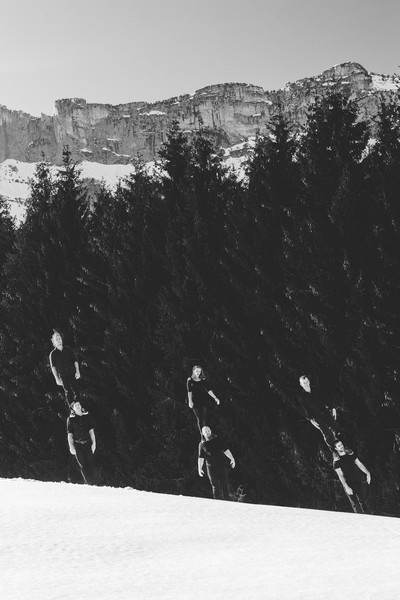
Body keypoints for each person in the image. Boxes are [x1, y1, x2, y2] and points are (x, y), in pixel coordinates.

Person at [298, 375, 338, 448]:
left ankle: (343, 448)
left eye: (307, 382)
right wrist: (311, 420)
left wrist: (333, 408)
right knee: (327, 433)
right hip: (316, 417)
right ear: (301, 384)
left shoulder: (316, 389)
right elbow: (306, 409)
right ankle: (333, 450)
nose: (306, 384)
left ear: (309, 381)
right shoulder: (302, 396)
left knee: (336, 429)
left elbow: (325, 399)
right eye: (304, 383)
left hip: (325, 412)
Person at [333, 439, 371, 514]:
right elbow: (340, 475)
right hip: (349, 484)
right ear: (336, 448)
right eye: (339, 446)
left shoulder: (350, 454)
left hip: (358, 481)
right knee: (356, 506)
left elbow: (359, 464)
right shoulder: (336, 461)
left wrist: (368, 473)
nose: (341, 446)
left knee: (364, 502)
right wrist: (346, 487)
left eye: (341, 444)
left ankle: (368, 519)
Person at [198, 425, 235, 500]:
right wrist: (199, 468)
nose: (208, 432)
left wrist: (232, 459)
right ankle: (217, 503)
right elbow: (200, 457)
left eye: (208, 431)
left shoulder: (217, 439)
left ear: (211, 431)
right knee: (215, 486)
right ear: (203, 433)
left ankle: (227, 502)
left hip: (221, 465)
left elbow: (225, 449)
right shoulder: (202, 444)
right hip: (211, 467)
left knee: (224, 485)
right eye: (206, 431)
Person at [67, 400, 98, 485]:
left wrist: (94, 443)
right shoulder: (70, 419)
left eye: (78, 404)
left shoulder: (87, 416)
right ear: (73, 408)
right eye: (75, 405)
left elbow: (91, 431)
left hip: (87, 443)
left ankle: (95, 483)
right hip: (77, 445)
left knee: (91, 463)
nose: (77, 406)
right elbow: (70, 434)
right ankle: (88, 483)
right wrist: (71, 446)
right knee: (82, 465)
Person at [49, 330, 81, 410]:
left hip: (72, 373)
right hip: (63, 376)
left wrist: (77, 371)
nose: (58, 340)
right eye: (56, 339)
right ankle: (72, 409)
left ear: (62, 339)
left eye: (59, 338)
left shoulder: (69, 349)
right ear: (54, 342)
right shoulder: (53, 354)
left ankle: (78, 408)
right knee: (68, 392)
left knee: (76, 390)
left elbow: (75, 361)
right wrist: (56, 378)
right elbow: (53, 367)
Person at [187, 365, 220, 435]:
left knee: (205, 417)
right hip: (195, 401)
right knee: (199, 418)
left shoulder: (203, 380)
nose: (198, 372)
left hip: (204, 400)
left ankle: (208, 434)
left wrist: (215, 398)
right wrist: (190, 401)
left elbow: (209, 390)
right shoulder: (190, 380)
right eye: (197, 371)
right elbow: (189, 392)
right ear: (193, 371)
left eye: (199, 371)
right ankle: (202, 436)